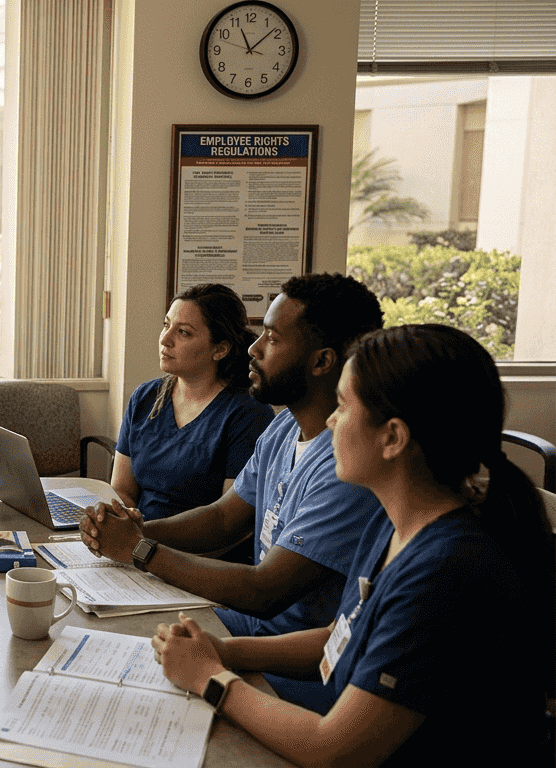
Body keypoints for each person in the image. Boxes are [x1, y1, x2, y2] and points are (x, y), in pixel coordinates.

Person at [151, 324, 553, 765]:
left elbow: (336, 751)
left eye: (342, 407)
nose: (330, 421)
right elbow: (340, 637)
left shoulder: (445, 570)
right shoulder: (392, 520)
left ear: (392, 437)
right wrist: (225, 651)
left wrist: (211, 679)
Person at [81, 273, 385, 713]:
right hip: (251, 626)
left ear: (321, 361)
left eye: (272, 339)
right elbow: (223, 517)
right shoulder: (284, 428)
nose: (253, 349)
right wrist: (135, 530)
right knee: (112, 641)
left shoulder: (347, 466)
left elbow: (266, 590)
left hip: (291, 654)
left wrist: (141, 549)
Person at [112, 283, 274, 523]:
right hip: (137, 537)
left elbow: (228, 521)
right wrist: (122, 525)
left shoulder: (248, 413)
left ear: (220, 349)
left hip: (197, 544)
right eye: (166, 325)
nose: (165, 339)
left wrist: (144, 537)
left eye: (183, 332)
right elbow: (121, 490)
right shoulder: (144, 398)